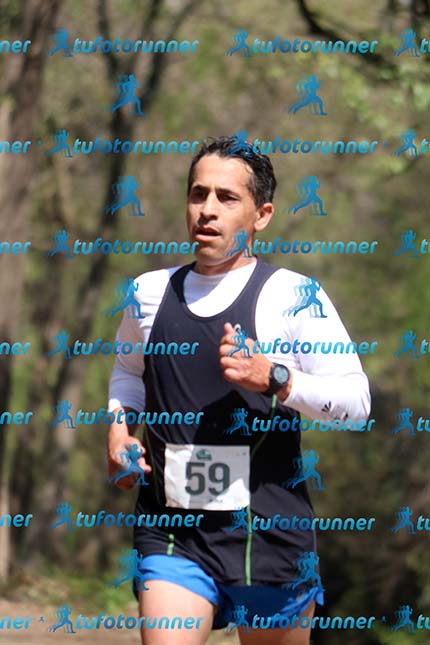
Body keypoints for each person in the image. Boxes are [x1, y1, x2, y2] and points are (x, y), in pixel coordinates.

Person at [107, 136, 371, 644]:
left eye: (226, 198)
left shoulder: (294, 297)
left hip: (270, 536)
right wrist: (120, 432)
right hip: (174, 534)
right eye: (197, 194)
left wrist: (277, 378)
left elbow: (356, 404)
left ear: (261, 215)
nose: (207, 210)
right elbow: (127, 372)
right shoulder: (148, 292)